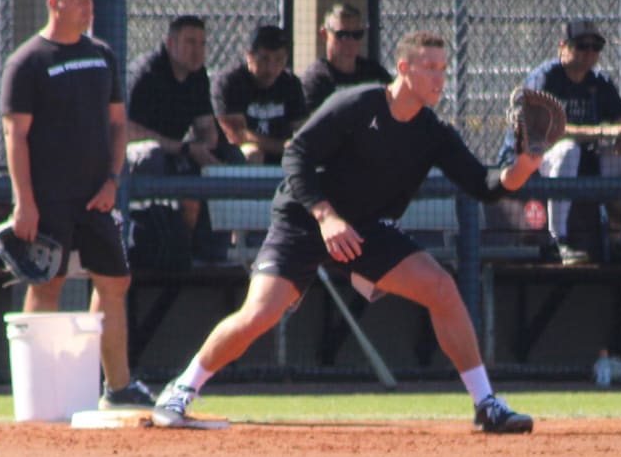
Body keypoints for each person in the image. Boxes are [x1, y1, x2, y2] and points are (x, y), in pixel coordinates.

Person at [153, 31, 540, 433]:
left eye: (443, 68)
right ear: (404, 69)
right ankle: (180, 390)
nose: (439, 78)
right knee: (259, 314)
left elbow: (485, 185)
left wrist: (524, 166)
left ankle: (486, 404)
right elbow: (295, 154)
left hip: (365, 230)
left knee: (441, 288)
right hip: (305, 218)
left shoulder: (432, 133)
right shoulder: (358, 104)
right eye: (429, 67)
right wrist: (325, 215)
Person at [0, 0, 154, 408]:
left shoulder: (102, 54)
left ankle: (117, 387)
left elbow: (118, 125)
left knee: (114, 282)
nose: (88, 7)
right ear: (55, 3)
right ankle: (37, 389)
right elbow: (16, 136)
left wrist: (112, 180)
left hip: (97, 196)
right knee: (47, 282)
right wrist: (24, 203)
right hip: (48, 197)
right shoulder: (27, 62)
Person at [503, 20, 621, 265]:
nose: (589, 52)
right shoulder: (546, 78)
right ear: (563, 47)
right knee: (567, 150)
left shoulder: (599, 82)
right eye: (582, 46)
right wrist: (603, 131)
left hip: (584, 162)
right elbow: (547, 131)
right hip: (532, 159)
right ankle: (557, 241)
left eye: (596, 46)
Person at [125, 15, 243, 260]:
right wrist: (185, 148)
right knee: (152, 155)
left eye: (202, 43)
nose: (197, 51)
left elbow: (206, 127)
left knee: (231, 155)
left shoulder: (198, 76)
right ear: (170, 44)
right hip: (137, 158)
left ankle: (214, 254)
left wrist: (209, 153)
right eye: (190, 42)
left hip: (179, 152)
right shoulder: (146, 73)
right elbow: (128, 132)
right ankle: (155, 247)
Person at [212, 25, 307, 165]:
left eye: (279, 59)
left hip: (282, 151)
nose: (271, 68)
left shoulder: (291, 84)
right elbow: (237, 135)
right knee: (253, 154)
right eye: (264, 59)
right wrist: (282, 146)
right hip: (236, 152)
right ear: (249, 56)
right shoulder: (230, 82)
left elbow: (298, 128)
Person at [301, 2, 392, 113]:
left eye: (357, 35)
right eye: (342, 35)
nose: (350, 42)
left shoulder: (374, 73)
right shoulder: (316, 79)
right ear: (324, 34)